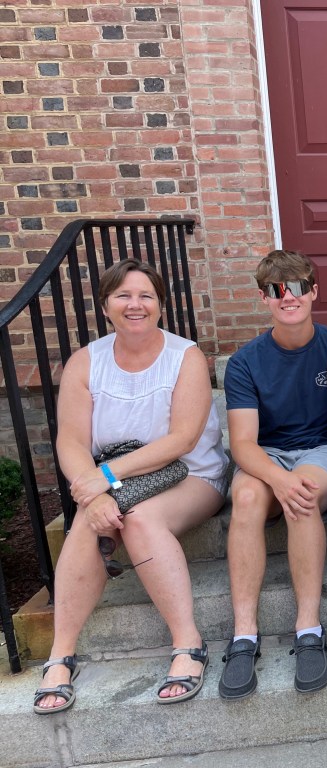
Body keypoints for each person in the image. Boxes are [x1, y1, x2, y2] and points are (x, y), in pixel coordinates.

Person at [33, 259, 229, 713]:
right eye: (123, 295)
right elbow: (71, 439)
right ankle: (61, 653)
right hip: (114, 482)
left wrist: (102, 478)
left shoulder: (186, 357)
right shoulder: (86, 362)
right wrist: (96, 492)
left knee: (137, 520)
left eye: (146, 296)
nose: (135, 305)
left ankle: (187, 643)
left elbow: (182, 439)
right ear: (106, 305)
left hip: (190, 475)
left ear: (160, 305)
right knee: (89, 520)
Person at [219, 249, 327, 699]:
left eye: (296, 288)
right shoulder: (246, 361)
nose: (287, 297)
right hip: (266, 452)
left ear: (313, 292)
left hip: (324, 448)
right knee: (249, 498)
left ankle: (308, 627)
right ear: (264, 297)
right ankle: (243, 636)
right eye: (276, 290)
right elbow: (242, 444)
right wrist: (277, 477)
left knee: (306, 491)